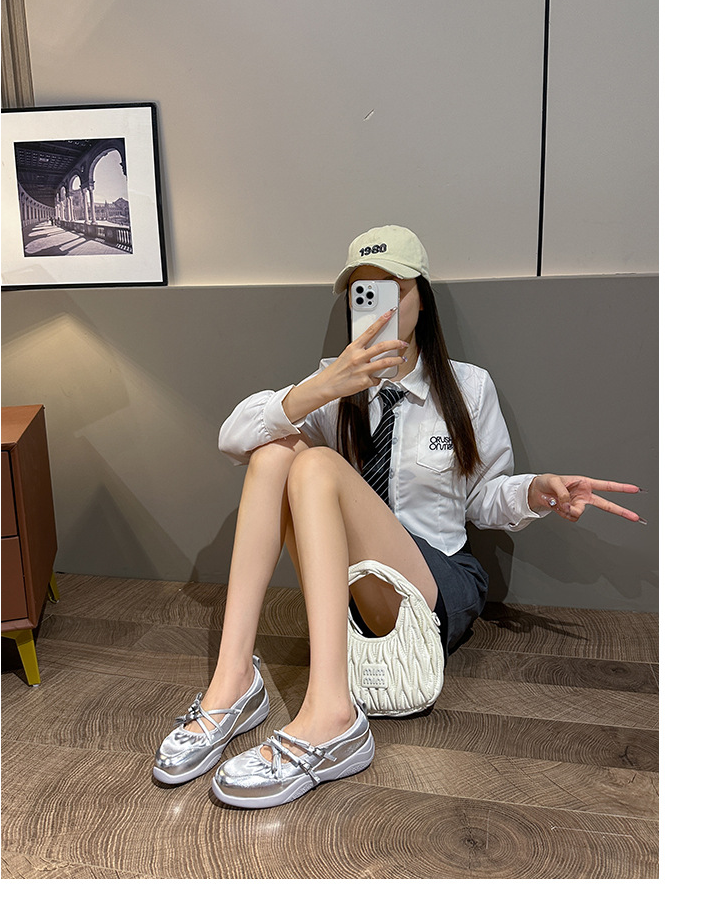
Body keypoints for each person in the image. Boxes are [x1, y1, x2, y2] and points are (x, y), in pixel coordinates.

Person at [153, 224, 645, 809]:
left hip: (436, 584)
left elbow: (483, 498)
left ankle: (332, 714)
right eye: (363, 292)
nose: (378, 306)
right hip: (354, 583)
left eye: (393, 289)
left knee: (317, 467)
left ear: (422, 299)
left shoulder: (467, 387)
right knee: (274, 452)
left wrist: (537, 491)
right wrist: (322, 387)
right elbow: (233, 438)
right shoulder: (332, 382)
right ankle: (232, 681)